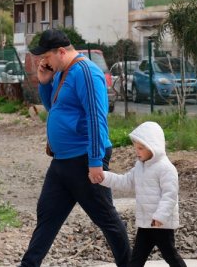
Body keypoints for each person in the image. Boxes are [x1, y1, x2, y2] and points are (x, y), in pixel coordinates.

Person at [19, 29, 130, 267]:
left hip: (84, 159)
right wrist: (45, 84)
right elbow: (55, 108)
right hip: (62, 161)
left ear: (61, 51)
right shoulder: (61, 72)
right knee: (47, 215)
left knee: (106, 219)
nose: (43, 62)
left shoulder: (86, 73)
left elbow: (96, 118)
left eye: (46, 56)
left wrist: (95, 162)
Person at [99, 121, 188, 267]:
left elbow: (170, 195)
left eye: (141, 148)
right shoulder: (140, 166)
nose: (137, 152)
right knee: (136, 259)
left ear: (153, 147)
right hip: (145, 223)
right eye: (136, 148)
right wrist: (103, 177)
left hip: (161, 225)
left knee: (171, 256)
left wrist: (160, 216)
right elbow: (125, 182)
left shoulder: (166, 168)